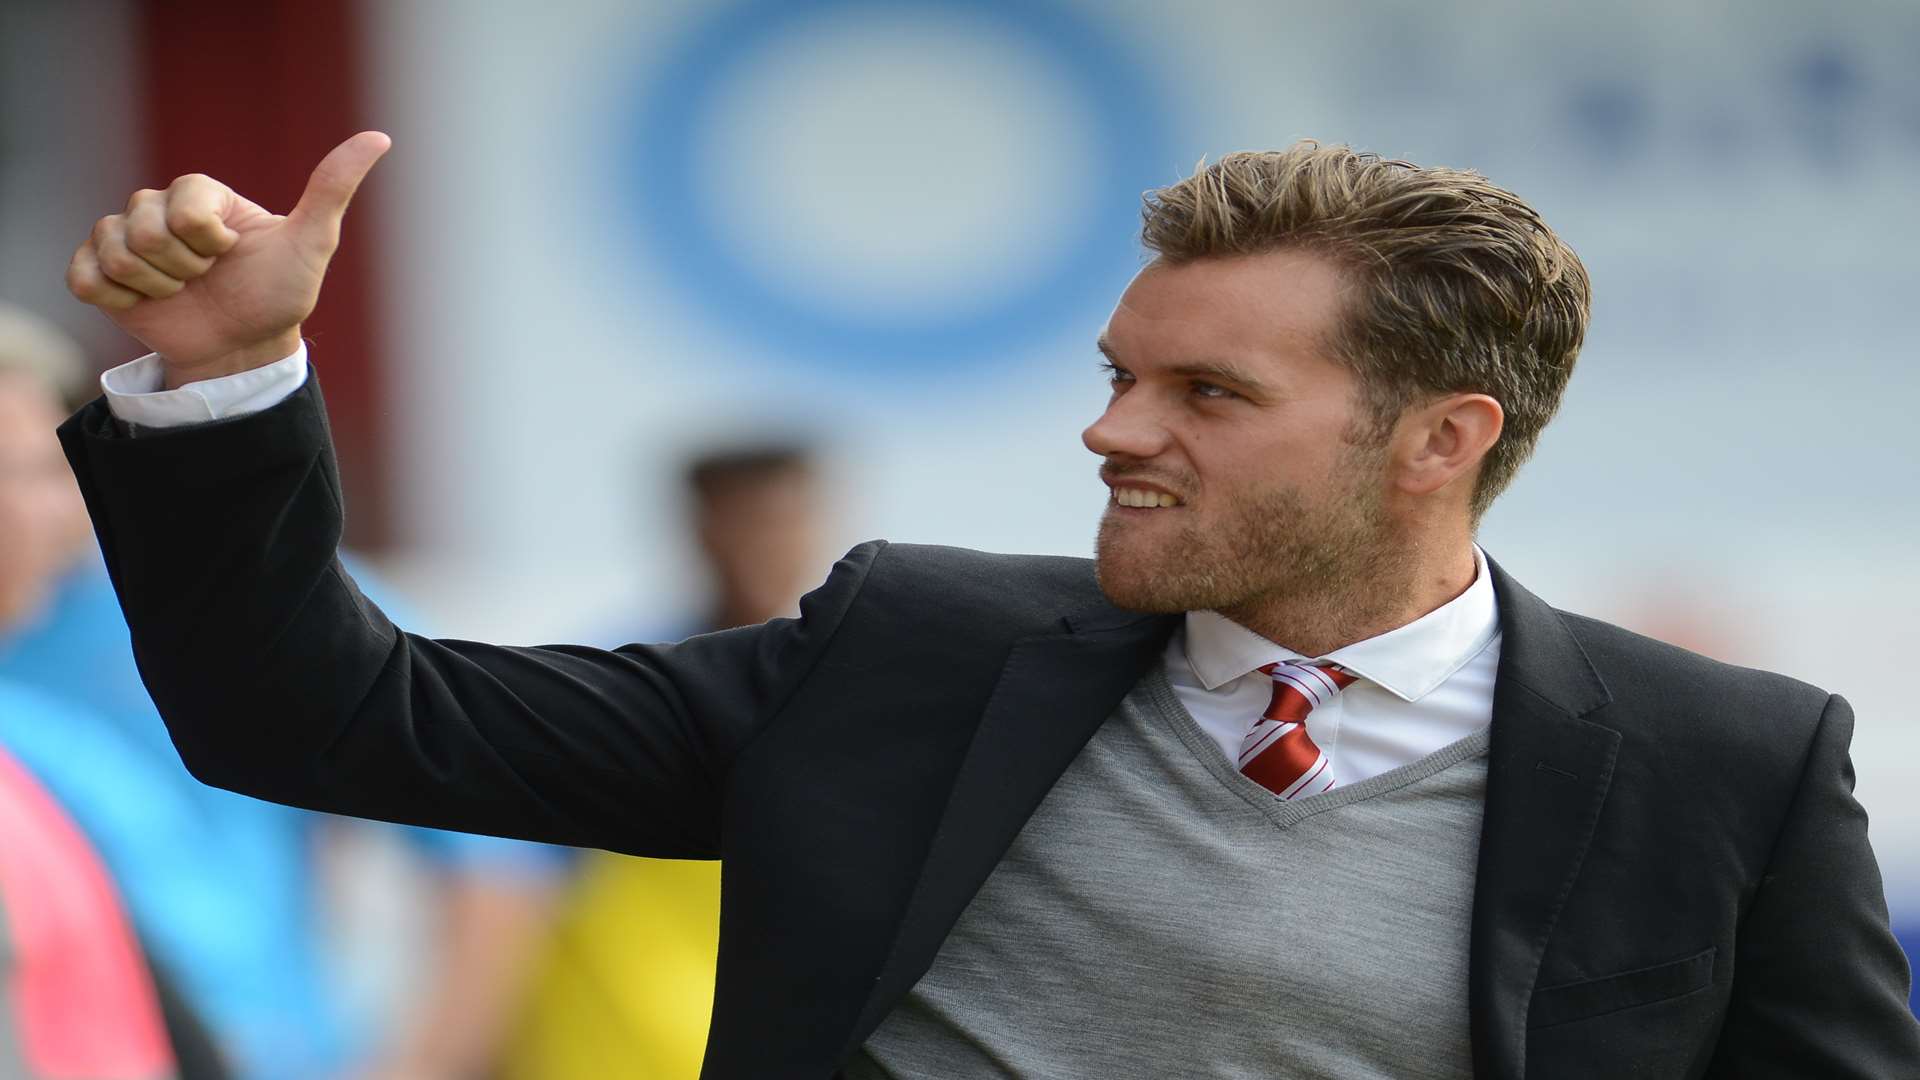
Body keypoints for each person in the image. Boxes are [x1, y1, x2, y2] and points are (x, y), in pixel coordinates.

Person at [58, 133, 1919, 1077]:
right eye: (1123, 373)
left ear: (1441, 438)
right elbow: (326, 720)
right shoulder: (910, 653)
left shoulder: (1727, 770)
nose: (1112, 432)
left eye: (1209, 396)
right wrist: (234, 384)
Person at [0, 306, 562, 1080]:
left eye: (46, 464)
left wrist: (421, 1067)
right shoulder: (33, 698)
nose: (57, 501)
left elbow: (491, 848)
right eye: (23, 470)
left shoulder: (243, 599)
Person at [505, 441, 829, 1079]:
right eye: (750, 523)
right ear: (702, 528)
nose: (772, 547)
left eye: (788, 522)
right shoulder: (617, 686)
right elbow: (511, 890)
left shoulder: (843, 694)